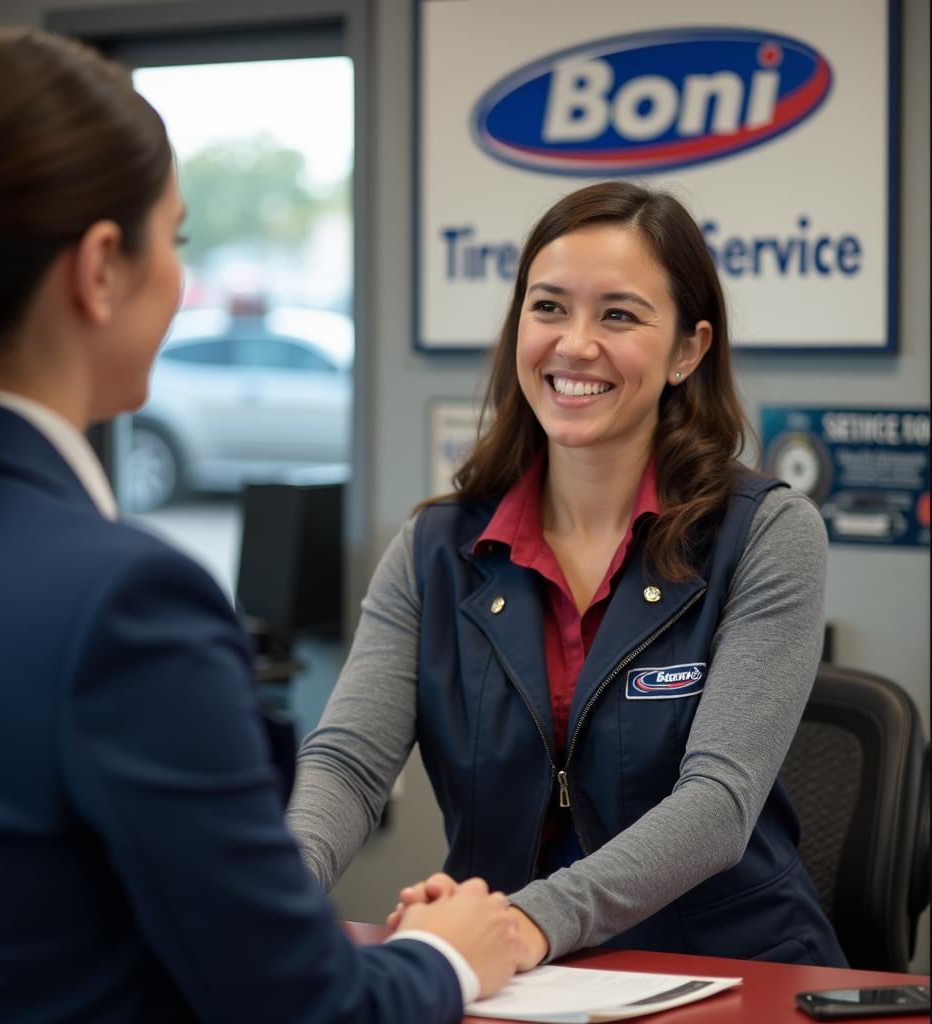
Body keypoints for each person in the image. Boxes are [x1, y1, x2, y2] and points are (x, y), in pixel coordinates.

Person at [0, 27, 524, 1023]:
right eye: (178, 240)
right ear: (102, 266)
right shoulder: (121, 602)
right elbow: (298, 1007)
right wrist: (447, 958)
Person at [287, 181, 849, 970]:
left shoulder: (765, 535)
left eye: (618, 315)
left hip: (724, 969)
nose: (574, 344)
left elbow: (717, 804)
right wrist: (277, 897)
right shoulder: (435, 549)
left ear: (688, 350)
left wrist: (526, 922)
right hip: (505, 973)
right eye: (548, 307)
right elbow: (347, 763)